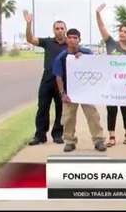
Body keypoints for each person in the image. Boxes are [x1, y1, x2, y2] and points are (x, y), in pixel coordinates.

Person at [52, 28, 106, 152]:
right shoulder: (62, 57)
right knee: (68, 118)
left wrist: (84, 59)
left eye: (75, 38)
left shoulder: (87, 53)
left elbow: (98, 66)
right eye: (70, 37)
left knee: (93, 116)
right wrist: (62, 94)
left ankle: (98, 140)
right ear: (66, 39)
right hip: (70, 93)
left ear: (79, 40)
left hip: (86, 92)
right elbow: (58, 77)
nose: (72, 40)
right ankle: (70, 141)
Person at [96, 3, 126, 148]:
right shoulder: (111, 44)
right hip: (111, 85)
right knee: (111, 109)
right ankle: (112, 137)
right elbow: (102, 28)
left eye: (125, 32)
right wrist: (98, 14)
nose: (122, 33)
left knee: (125, 109)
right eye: (120, 31)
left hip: (125, 86)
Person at [23, 10, 67, 146]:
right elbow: (30, 39)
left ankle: (58, 134)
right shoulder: (47, 42)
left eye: (61, 28)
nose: (59, 31)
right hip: (47, 77)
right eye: (57, 28)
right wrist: (29, 24)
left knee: (60, 108)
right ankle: (40, 136)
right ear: (54, 30)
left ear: (65, 30)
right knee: (42, 107)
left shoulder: (70, 44)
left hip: (62, 80)